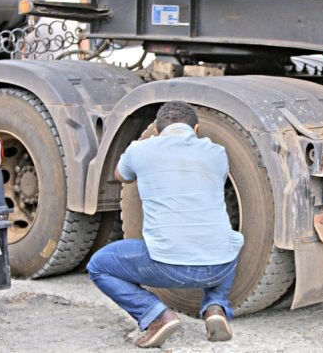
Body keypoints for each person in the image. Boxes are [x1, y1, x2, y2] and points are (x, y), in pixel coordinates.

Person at [86, 101, 244, 348]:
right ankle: (216, 306)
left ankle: (156, 315)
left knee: (98, 265)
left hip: (168, 266)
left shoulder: (140, 150)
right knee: (227, 241)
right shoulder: (217, 153)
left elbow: (121, 175)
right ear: (197, 128)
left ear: (157, 131)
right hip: (221, 267)